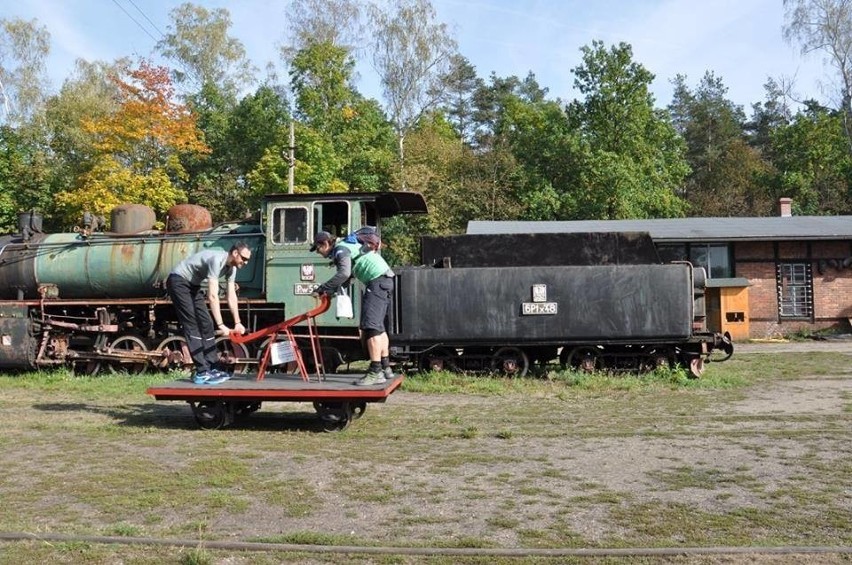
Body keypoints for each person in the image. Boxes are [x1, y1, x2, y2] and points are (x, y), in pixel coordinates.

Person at [310, 230, 395, 386]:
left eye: (317, 248)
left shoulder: (340, 250)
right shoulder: (347, 246)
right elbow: (348, 278)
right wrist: (332, 291)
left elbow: (344, 273)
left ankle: (375, 372)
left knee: (371, 328)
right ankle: (385, 367)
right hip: (384, 280)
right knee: (379, 328)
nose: (318, 253)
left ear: (325, 244)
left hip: (376, 282)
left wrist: (322, 288)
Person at [167, 243, 250, 385]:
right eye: (244, 258)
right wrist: (222, 325)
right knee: (192, 324)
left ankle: (212, 367)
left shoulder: (232, 268)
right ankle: (201, 372)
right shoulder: (217, 260)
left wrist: (237, 322)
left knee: (207, 323)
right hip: (178, 281)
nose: (246, 262)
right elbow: (212, 296)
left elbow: (231, 296)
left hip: (193, 286)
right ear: (235, 253)